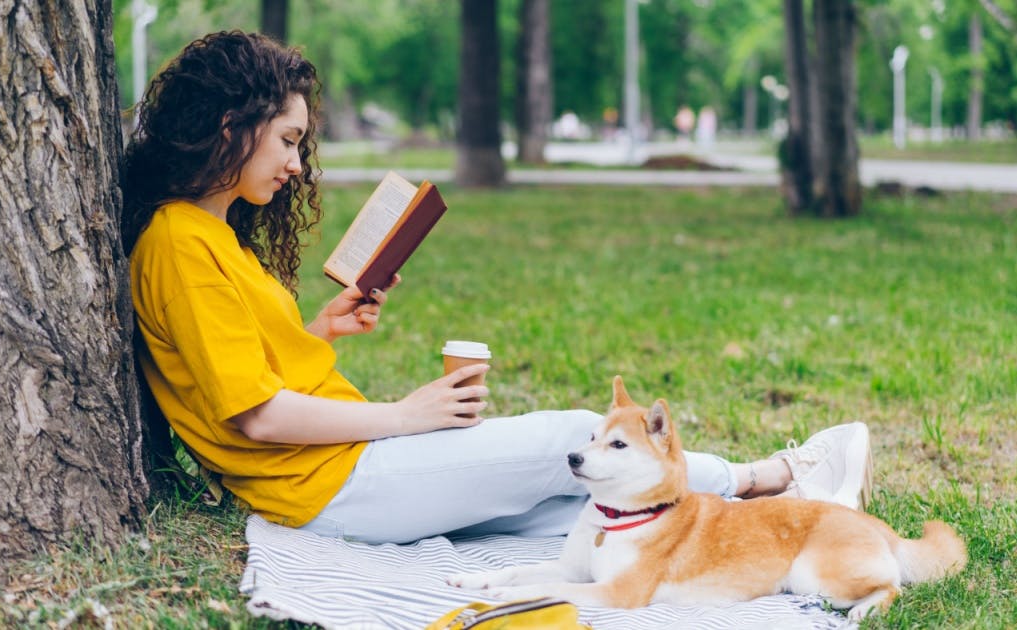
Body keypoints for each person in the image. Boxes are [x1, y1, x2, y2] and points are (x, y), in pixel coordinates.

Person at [121, 31, 874, 545]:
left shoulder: (210, 235)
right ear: (230, 125)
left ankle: (795, 514)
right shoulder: (179, 243)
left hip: (334, 473)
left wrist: (320, 330)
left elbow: (241, 368)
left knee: (573, 510)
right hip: (326, 483)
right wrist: (406, 415)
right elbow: (254, 417)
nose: (295, 165)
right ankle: (768, 475)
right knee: (570, 442)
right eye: (287, 140)